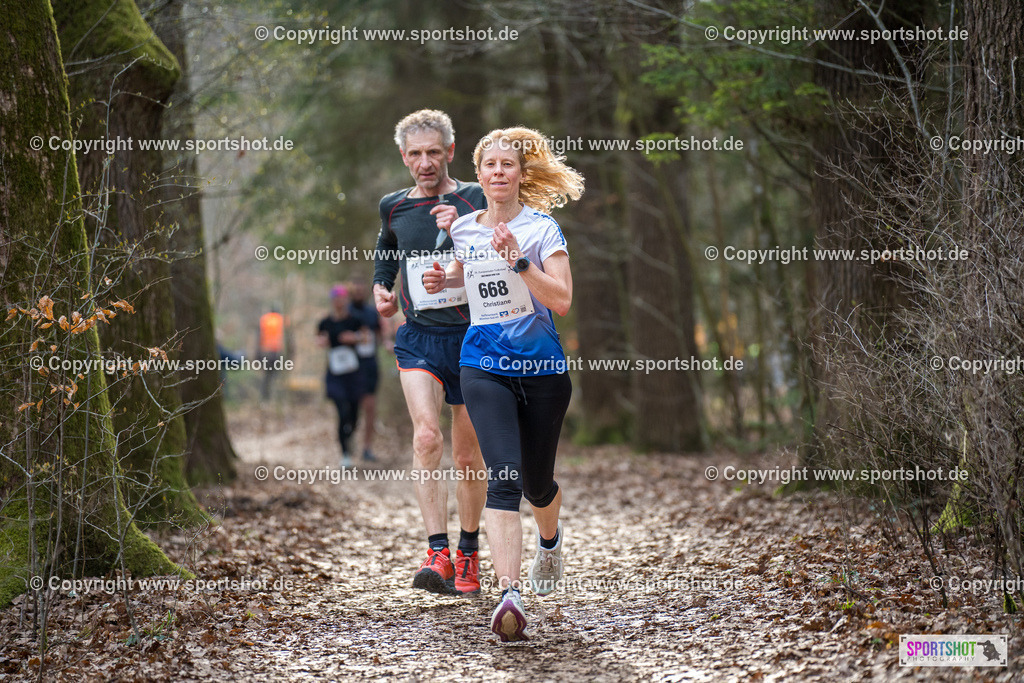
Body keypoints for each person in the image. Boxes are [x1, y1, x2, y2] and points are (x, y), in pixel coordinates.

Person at [423, 127, 583, 641]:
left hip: (541, 372)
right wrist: (440, 281)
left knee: (538, 485)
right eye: (488, 164)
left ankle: (551, 542)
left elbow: (560, 300)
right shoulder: (465, 229)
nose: (497, 172)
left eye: (507, 164)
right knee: (506, 478)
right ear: (479, 173)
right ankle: (509, 593)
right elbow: (464, 277)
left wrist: (519, 260)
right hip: (484, 366)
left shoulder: (543, 229)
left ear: (520, 174)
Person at [373, 109, 488, 594]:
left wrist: (462, 225)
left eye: (433, 152)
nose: (425, 162)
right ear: (404, 157)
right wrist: (382, 288)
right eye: (416, 154)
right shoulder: (394, 206)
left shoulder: (474, 197)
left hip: (471, 339)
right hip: (418, 338)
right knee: (425, 439)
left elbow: (493, 252)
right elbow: (387, 248)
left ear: (450, 153)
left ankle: (468, 553)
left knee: (467, 456)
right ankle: (436, 552)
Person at [317, 285, 369, 468]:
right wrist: (322, 341)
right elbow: (319, 339)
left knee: (354, 414)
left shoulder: (355, 320)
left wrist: (354, 338)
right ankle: (345, 454)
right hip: (335, 373)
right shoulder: (325, 322)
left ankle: (350, 437)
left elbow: (366, 338)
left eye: (342, 298)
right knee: (342, 411)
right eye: (336, 299)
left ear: (346, 300)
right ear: (332, 301)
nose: (339, 302)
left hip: (353, 372)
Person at [347, 277, 381, 463]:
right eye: (355, 290)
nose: (358, 293)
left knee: (370, 407)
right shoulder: (346, 311)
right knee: (351, 408)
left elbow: (379, 333)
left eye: (361, 290)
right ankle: (348, 442)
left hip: (369, 365)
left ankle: (367, 447)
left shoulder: (371, 312)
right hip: (350, 366)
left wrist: (388, 343)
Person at [257, 307, 285, 400]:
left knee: (267, 376)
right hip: (277, 352)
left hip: (266, 352)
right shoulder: (282, 320)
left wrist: (258, 355)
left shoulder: (264, 319)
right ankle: (276, 398)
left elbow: (259, 337)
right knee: (276, 375)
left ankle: (265, 398)